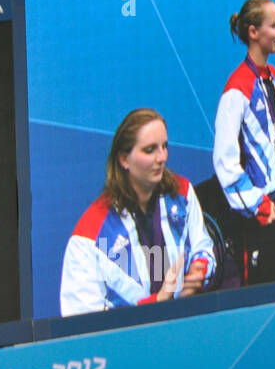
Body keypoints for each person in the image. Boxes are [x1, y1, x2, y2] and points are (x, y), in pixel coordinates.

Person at [60, 108, 215, 315]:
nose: (162, 157)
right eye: (150, 150)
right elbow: (82, 319)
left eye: (164, 146)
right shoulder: (89, 237)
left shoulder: (182, 194)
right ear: (124, 159)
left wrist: (200, 269)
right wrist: (155, 303)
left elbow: (202, 246)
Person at [214, 0, 275, 285]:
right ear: (253, 33)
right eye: (274, 26)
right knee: (258, 291)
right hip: (257, 208)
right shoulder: (237, 89)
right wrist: (257, 204)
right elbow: (224, 160)